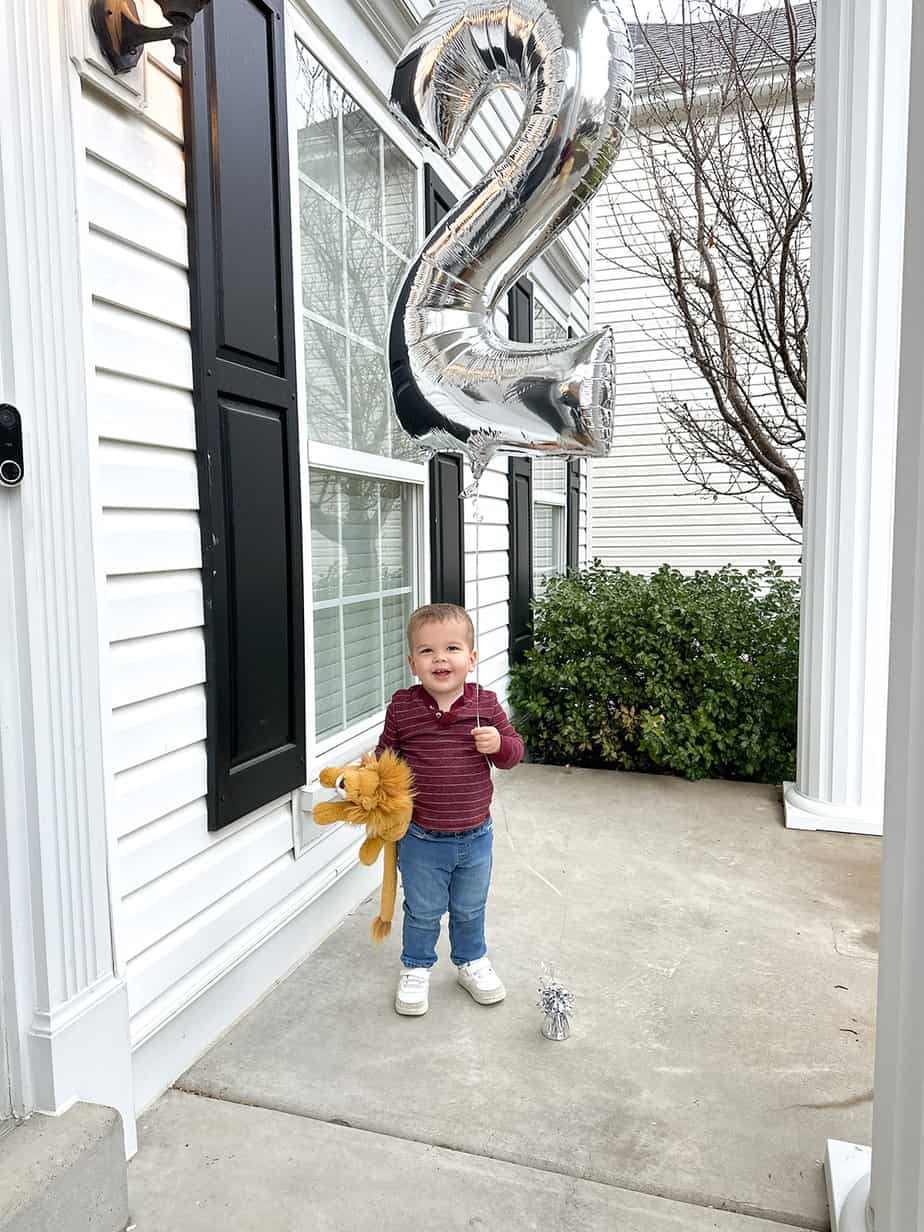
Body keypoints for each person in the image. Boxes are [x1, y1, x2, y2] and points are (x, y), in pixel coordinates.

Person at [375, 603, 524, 1017]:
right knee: (422, 909)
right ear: (412, 663)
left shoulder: (486, 705)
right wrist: (375, 789)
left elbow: (514, 753)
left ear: (471, 658)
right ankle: (417, 966)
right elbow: (384, 758)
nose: (440, 658)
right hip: (421, 837)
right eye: (427, 651)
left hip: (476, 835)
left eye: (452, 648)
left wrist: (499, 744)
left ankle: (471, 961)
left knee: (469, 907)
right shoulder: (402, 708)